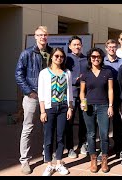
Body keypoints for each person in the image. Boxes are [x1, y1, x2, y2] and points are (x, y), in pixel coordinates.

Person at [15, 26, 53, 174]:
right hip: (33, 96)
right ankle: (24, 160)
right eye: (40, 35)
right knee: (28, 128)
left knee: (48, 127)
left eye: (45, 35)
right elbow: (19, 74)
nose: (42, 37)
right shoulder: (27, 53)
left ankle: (47, 154)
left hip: (49, 97)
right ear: (35, 37)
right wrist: (29, 92)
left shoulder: (52, 52)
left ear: (47, 37)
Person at [38, 47, 73, 176]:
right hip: (49, 108)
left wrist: (70, 107)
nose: (59, 58)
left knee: (60, 136)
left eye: (61, 57)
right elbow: (41, 94)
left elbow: (69, 92)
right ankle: (48, 165)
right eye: (57, 56)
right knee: (48, 137)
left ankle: (59, 163)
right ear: (51, 57)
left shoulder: (67, 72)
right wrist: (42, 111)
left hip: (63, 107)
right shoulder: (44, 73)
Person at [80, 47, 114, 173]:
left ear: (101, 58)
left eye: (98, 57)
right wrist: (83, 103)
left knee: (104, 134)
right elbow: (82, 92)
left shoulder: (107, 72)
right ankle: (93, 159)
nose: (95, 59)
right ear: (90, 58)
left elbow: (110, 90)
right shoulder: (85, 73)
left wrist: (110, 105)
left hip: (103, 106)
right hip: (88, 107)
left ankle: (104, 159)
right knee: (91, 134)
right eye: (93, 57)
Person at [103, 39, 122, 159]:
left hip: (118, 94)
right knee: (104, 122)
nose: (111, 49)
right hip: (103, 95)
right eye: (110, 47)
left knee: (118, 121)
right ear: (106, 48)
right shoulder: (102, 61)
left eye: (113, 47)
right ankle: (105, 147)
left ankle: (118, 146)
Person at [65, 35, 88, 158]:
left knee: (84, 119)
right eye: (74, 44)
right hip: (71, 94)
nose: (77, 46)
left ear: (82, 46)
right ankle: (69, 147)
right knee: (69, 120)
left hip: (85, 95)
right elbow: (63, 75)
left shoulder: (87, 59)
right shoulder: (66, 59)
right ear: (70, 46)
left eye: (78, 44)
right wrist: (75, 79)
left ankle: (83, 143)